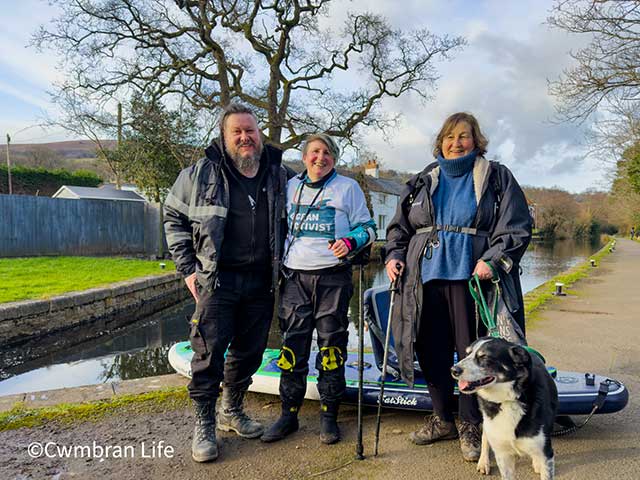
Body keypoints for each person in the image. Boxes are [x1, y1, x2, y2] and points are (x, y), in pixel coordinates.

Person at [384, 112, 532, 462]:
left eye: (464, 136)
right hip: (423, 282)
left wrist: (493, 260)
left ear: (475, 140)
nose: (456, 143)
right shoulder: (423, 179)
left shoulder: (495, 177)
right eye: (450, 136)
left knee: (472, 356)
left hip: (472, 281)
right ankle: (441, 418)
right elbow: (398, 228)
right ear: (441, 141)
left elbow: (515, 227)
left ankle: (470, 424)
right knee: (430, 351)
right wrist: (393, 255)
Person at [164, 102, 290, 463]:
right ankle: (204, 422)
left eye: (250, 131)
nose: (244, 137)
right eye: (237, 131)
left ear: (260, 136)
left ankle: (231, 410)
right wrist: (188, 267)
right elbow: (172, 217)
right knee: (208, 353)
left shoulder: (278, 174)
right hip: (216, 280)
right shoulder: (200, 174)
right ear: (224, 136)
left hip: (261, 281)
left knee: (249, 352)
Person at [261, 133, 376, 445]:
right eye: (314, 152)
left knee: (331, 348)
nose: (320, 157)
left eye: (326, 152)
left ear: (334, 159)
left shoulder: (347, 188)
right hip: (295, 277)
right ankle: (289, 413)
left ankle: (329, 415)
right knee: (292, 347)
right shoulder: (290, 185)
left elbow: (368, 227)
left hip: (333, 278)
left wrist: (350, 242)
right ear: (304, 156)